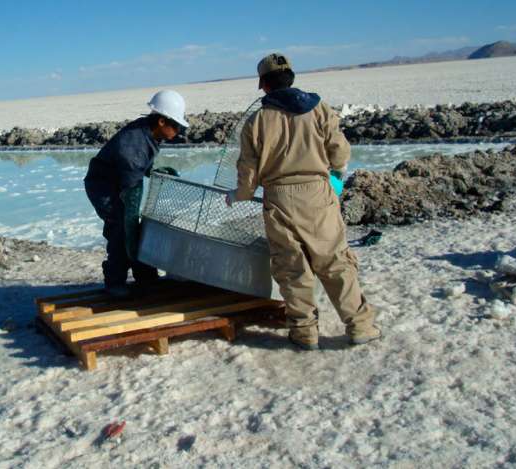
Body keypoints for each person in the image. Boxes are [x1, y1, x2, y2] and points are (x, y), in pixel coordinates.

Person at [225, 53, 381, 349]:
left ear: (264, 86)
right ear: (291, 78)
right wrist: (334, 175)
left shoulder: (256, 121)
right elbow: (340, 154)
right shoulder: (318, 108)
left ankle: (304, 332)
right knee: (335, 262)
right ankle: (360, 326)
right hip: (318, 195)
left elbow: (247, 174)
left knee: (292, 268)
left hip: (279, 198)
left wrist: (238, 196)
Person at [84, 90, 188, 297]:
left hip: (118, 181)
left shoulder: (148, 134)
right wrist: (131, 221)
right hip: (104, 187)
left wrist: (152, 170)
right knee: (121, 230)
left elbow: (137, 166)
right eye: (175, 125)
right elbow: (132, 188)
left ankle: (146, 278)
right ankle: (114, 282)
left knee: (134, 230)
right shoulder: (134, 145)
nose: (178, 130)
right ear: (161, 121)